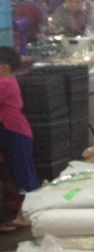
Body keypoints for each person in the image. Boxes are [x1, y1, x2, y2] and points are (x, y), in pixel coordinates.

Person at [0, 47, 38, 231]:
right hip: (9, 134)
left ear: (5, 67)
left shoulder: (5, 83)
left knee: (23, 172)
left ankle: (27, 215)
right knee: (17, 174)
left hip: (16, 133)